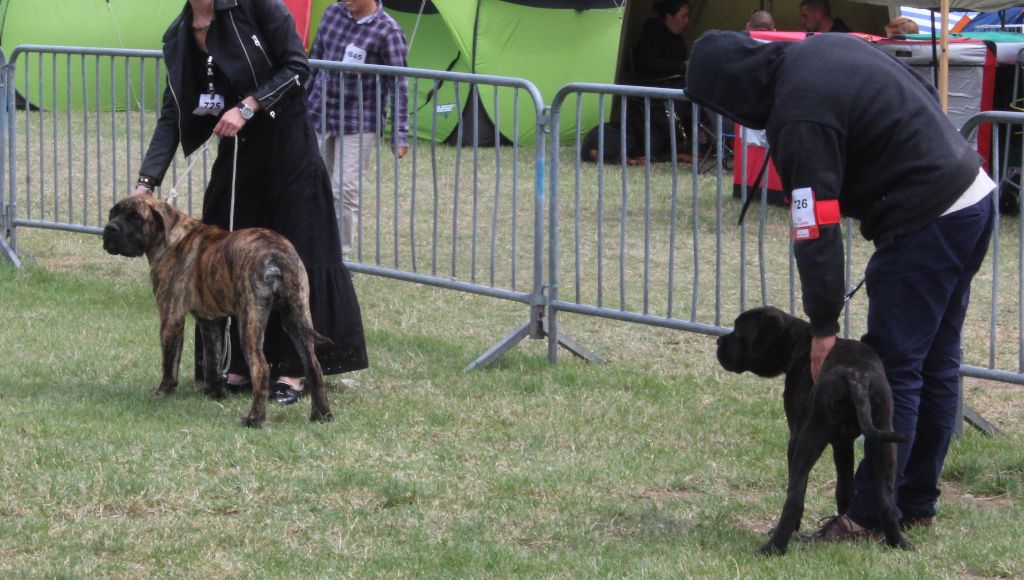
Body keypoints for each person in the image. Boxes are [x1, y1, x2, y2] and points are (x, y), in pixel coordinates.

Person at [686, 31, 994, 541]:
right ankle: (915, 501)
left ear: (733, 93)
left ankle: (870, 515)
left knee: (896, 370)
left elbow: (817, 225)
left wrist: (824, 325)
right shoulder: (817, 51)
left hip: (926, 215)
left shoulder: (797, 113)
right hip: (970, 193)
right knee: (936, 361)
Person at [134, 0, 369, 405]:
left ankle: (294, 373)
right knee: (226, 260)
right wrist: (145, 183)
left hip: (289, 150)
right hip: (239, 157)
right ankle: (237, 365)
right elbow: (172, 116)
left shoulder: (258, 7)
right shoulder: (178, 37)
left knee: (297, 256)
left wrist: (248, 105)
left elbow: (297, 67)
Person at [307, 0, 409, 260]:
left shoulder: (389, 32)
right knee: (312, 183)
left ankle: (338, 256)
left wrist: (400, 133)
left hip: (358, 122)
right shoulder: (332, 13)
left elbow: (399, 85)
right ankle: (311, 245)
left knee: (344, 188)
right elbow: (314, 61)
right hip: (319, 113)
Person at [631, 0, 691, 88]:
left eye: (688, 16)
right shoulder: (652, 34)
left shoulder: (678, 37)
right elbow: (647, 64)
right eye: (683, 16)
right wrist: (682, 66)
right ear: (669, 17)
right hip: (654, 88)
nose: (687, 21)